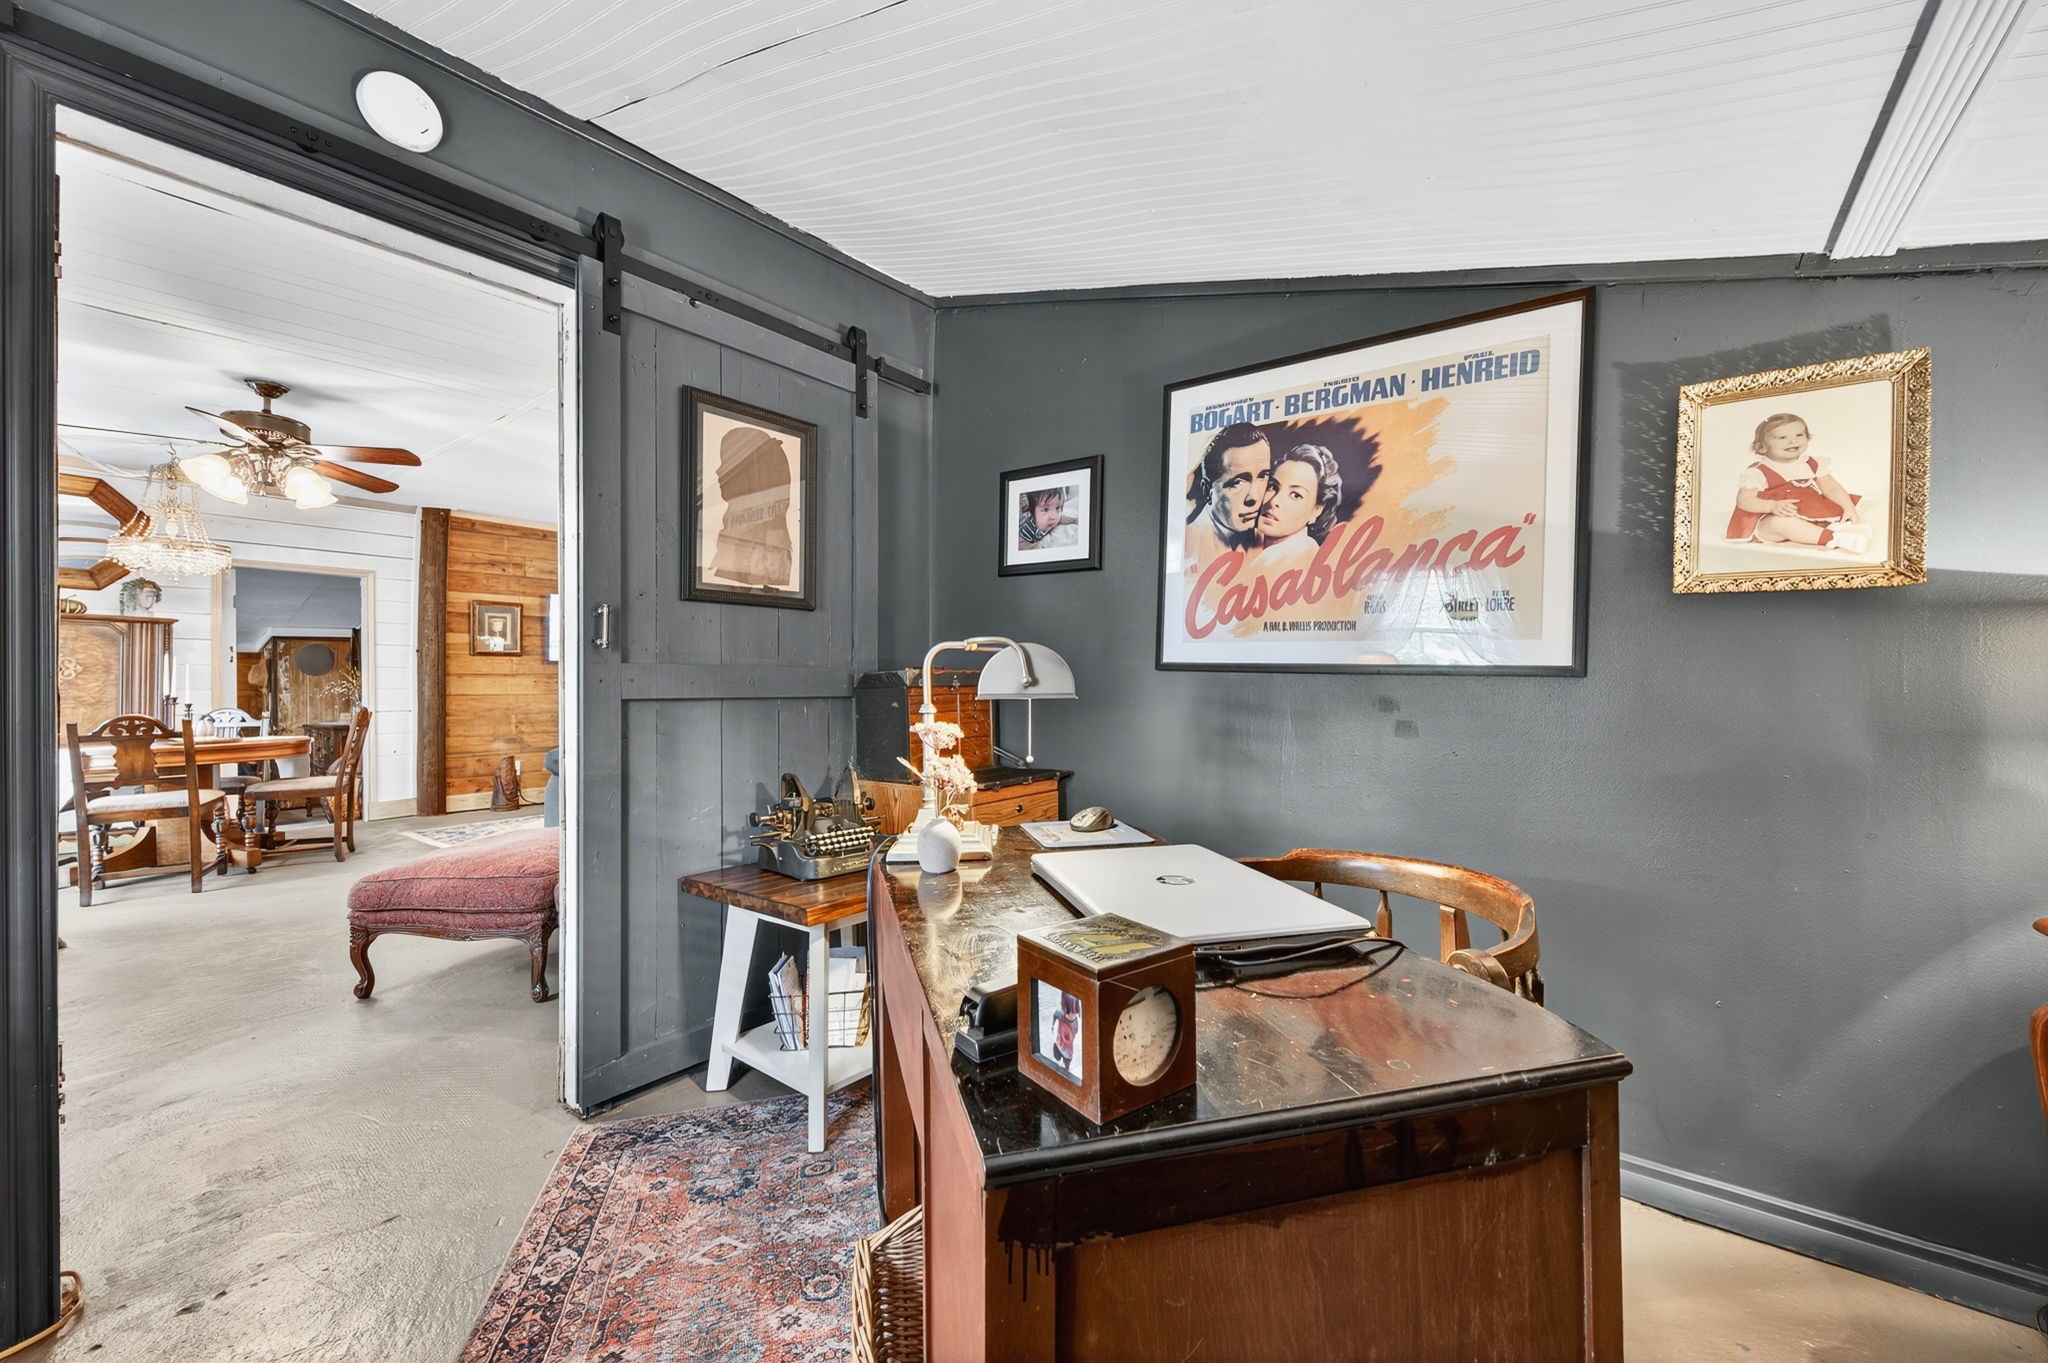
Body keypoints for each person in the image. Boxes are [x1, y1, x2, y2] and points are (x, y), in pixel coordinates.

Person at [1725, 413, 1870, 553]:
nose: (1793, 441)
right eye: (1782, 437)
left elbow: (1831, 487)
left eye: (1799, 435)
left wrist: (1848, 507)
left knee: (1855, 505)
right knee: (1782, 523)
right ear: (1761, 447)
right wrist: (1771, 506)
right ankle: (1834, 538)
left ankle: (1832, 528)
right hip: (1768, 521)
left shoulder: (1812, 463)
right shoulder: (1758, 472)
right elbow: (1744, 500)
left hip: (1805, 513)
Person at [1184, 422, 1273, 570]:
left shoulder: (1270, 536)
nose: (1255, 497)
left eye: (1263, 476)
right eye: (1237, 483)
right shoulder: (1188, 551)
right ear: (1207, 490)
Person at [1256, 443, 1343, 564]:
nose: (1274, 501)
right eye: (1273, 486)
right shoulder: (1254, 548)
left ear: (1318, 509)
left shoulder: (1299, 553)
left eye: (1295, 495)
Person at [1016, 486, 1075, 551]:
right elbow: (1021, 547)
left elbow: (1061, 519)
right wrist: (1039, 544)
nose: (1053, 516)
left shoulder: (1052, 519)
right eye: (1046, 509)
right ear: (1033, 512)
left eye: (1057, 508)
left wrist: (1075, 520)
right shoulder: (1027, 531)